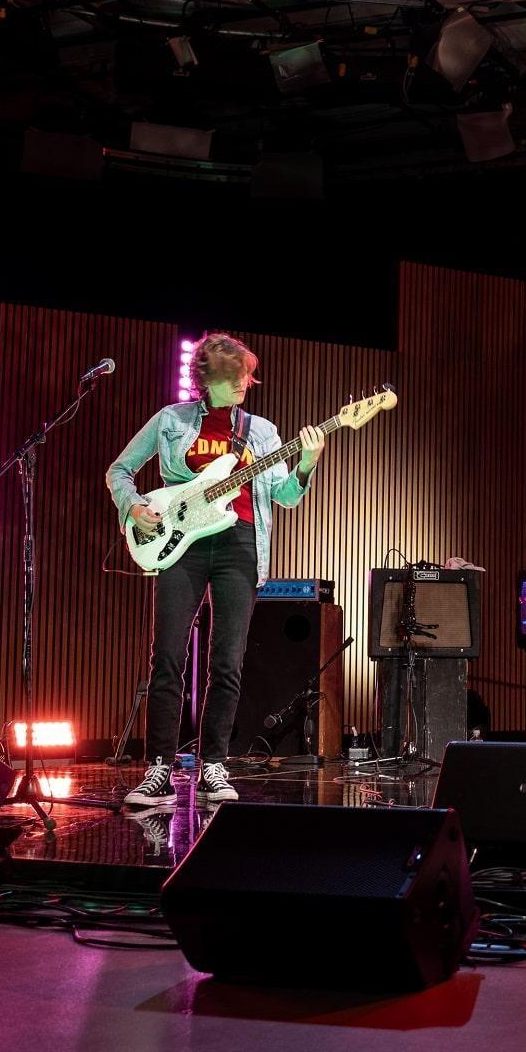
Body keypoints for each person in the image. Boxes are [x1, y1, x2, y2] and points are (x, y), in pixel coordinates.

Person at [108, 333, 324, 806]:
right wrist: (135, 508)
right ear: (210, 380)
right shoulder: (171, 420)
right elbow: (119, 471)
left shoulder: (261, 432)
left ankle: (213, 766)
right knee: (167, 658)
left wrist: (305, 464)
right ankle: (160, 767)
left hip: (239, 545)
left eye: (248, 374)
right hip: (181, 544)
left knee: (226, 662)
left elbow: (284, 496)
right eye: (237, 376)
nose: (247, 382)